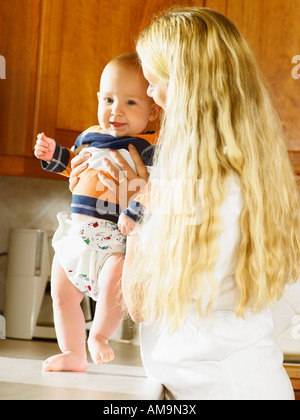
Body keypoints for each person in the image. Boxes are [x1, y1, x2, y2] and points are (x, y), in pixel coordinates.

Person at [70, 7, 300, 400]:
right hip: (248, 383)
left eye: (156, 82)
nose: (153, 95)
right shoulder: (247, 168)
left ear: (186, 85)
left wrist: (136, 209)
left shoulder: (195, 183)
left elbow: (141, 303)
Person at [34, 52, 160, 372]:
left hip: (113, 236)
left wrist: (134, 212)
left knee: (116, 277)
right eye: (108, 99)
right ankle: (73, 353)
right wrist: (54, 156)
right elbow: (74, 166)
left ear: (153, 109)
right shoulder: (90, 135)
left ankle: (100, 336)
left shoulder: (147, 148)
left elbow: (155, 188)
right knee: (62, 294)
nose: (115, 110)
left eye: (130, 103)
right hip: (77, 233)